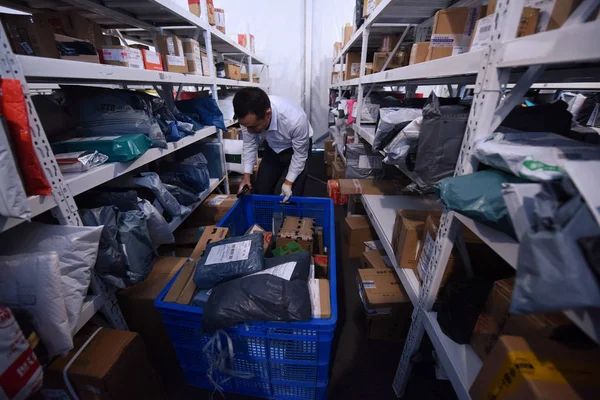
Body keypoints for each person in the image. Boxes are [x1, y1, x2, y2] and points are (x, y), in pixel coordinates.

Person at [233, 87, 312, 202]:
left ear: (268, 114)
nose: (249, 131)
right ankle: (264, 219)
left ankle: (290, 217)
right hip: (273, 147)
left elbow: (300, 155)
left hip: (295, 149)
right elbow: (249, 145)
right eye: (246, 127)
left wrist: (288, 183)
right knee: (261, 191)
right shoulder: (248, 120)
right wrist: (246, 176)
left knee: (291, 197)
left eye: (254, 127)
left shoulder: (296, 120)